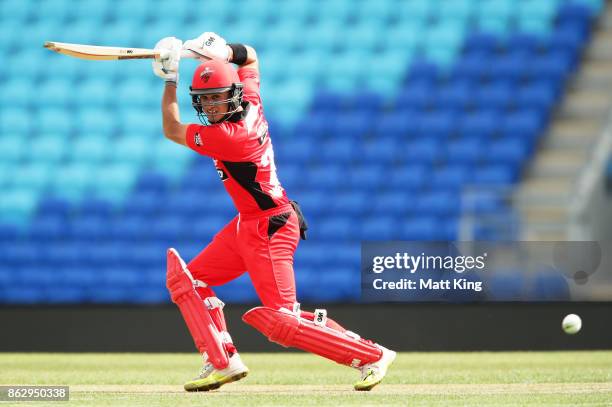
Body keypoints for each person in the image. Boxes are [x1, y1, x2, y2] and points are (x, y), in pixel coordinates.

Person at [152, 32, 396, 392]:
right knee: (188, 281)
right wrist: (226, 52)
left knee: (284, 322)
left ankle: (372, 355)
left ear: (231, 96)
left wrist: (170, 79)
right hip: (246, 225)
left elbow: (172, 128)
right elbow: (250, 59)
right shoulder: (250, 100)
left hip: (270, 228)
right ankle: (223, 359)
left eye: (218, 99)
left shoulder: (231, 137)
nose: (212, 108)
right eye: (205, 101)